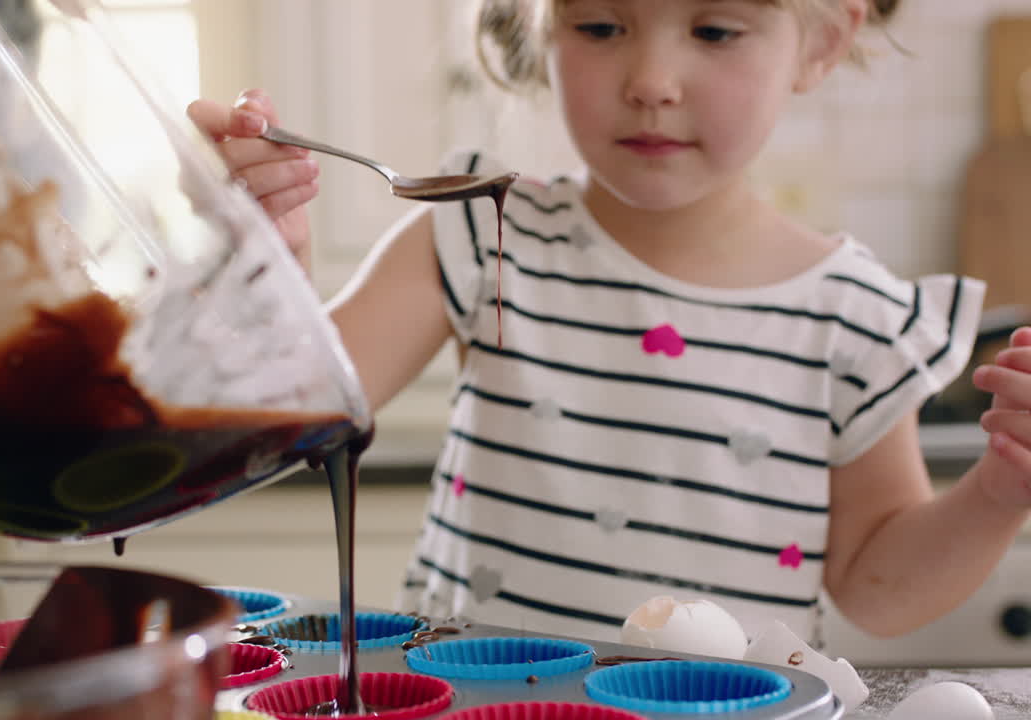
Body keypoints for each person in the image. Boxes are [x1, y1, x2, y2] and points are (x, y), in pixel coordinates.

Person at [188, 0, 1031, 644]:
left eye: (713, 30)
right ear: (539, 29)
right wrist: (264, 256)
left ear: (819, 43)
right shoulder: (480, 227)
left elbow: (877, 588)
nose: (651, 82)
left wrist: (998, 493)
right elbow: (295, 407)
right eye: (599, 25)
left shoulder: (854, 316)